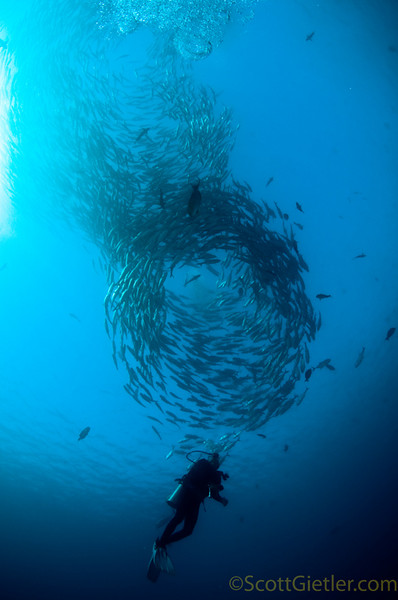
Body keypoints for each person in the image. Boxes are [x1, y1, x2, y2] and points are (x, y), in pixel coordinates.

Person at [157, 452, 229, 549]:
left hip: (196, 502)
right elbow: (190, 479)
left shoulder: (216, 476)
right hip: (187, 495)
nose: (214, 459)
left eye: (216, 458)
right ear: (210, 457)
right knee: (178, 518)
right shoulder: (203, 464)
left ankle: (163, 543)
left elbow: (213, 493)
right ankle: (161, 543)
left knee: (188, 530)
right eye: (213, 457)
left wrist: (221, 500)